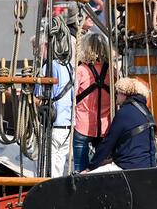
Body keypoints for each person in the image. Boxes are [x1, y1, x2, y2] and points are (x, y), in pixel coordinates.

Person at [87, 77, 157, 172]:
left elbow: (108, 143)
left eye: (118, 93)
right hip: (148, 166)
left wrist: (91, 167)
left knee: (87, 179)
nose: (116, 95)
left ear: (125, 94)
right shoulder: (146, 112)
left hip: (128, 167)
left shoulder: (124, 113)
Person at [72, 31, 112, 173]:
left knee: (80, 170)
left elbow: (72, 96)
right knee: (102, 170)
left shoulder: (81, 70)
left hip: (82, 126)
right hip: (105, 128)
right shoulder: (112, 71)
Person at [40, 37, 75, 177]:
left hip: (53, 125)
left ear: (48, 47)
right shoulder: (69, 67)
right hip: (67, 126)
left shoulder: (48, 66)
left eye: (40, 48)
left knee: (49, 168)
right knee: (61, 165)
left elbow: (39, 96)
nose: (38, 52)